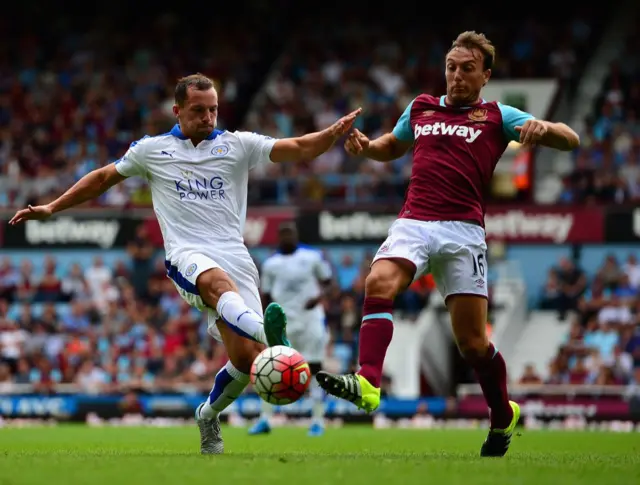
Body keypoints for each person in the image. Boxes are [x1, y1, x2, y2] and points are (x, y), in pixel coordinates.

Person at [9, 73, 361, 454]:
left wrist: (332, 133)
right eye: (198, 110)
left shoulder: (238, 145)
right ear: (177, 111)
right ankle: (272, 336)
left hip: (235, 255)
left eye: (213, 109)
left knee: (246, 363)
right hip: (187, 254)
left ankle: (208, 415)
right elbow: (103, 178)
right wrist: (52, 207)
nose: (208, 117)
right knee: (218, 285)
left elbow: (299, 147)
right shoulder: (152, 150)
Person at [316, 31, 580, 457]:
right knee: (378, 283)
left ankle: (501, 414)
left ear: (485, 76)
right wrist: (367, 148)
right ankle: (367, 382)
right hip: (414, 222)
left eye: (467, 69)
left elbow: (571, 139)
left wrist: (543, 126)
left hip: (464, 233)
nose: (456, 76)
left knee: (473, 344)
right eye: (451, 68)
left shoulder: (497, 116)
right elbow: (392, 146)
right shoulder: (421, 107)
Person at [249, 223, 332, 437]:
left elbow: (328, 281)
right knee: (270, 368)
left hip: (310, 320)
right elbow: (266, 294)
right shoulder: (271, 264)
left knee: (314, 368)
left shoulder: (312, 257)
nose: (287, 237)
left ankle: (317, 421)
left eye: (290, 233)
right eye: (283, 234)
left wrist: (319, 297)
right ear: (278, 237)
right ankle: (265, 419)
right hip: (283, 323)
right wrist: (268, 320)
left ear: (296, 235)